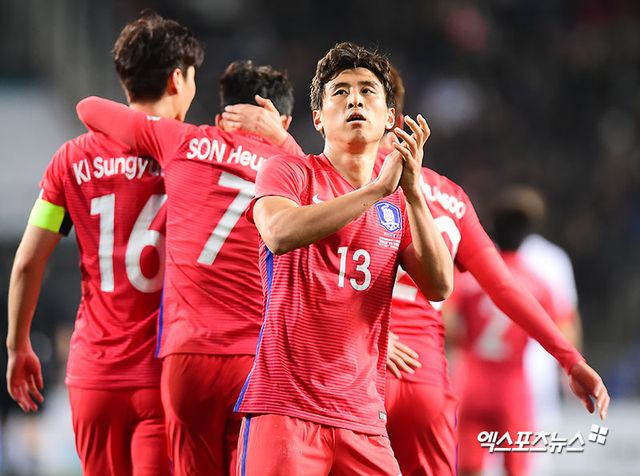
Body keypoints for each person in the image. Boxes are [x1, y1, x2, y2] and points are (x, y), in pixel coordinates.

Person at [232, 41, 454, 475]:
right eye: (340, 91)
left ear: (389, 117)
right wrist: (376, 189)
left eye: (368, 91)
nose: (355, 99)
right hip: (287, 410)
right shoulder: (289, 171)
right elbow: (279, 234)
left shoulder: (400, 203)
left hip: (363, 418)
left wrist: (413, 193)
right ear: (318, 118)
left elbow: (440, 285)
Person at [76, 61, 302, 475]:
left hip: (187, 358)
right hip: (257, 360)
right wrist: (283, 141)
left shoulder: (183, 140)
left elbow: (89, 107)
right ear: (282, 120)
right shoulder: (292, 169)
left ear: (221, 117)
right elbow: (331, 208)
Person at [381, 69, 608, 476]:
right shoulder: (452, 197)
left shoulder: (343, 185)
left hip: (365, 368)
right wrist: (570, 359)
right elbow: (505, 288)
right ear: (399, 120)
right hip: (436, 378)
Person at [6, 10, 203, 476]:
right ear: (177, 79)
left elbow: (27, 263)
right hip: (165, 375)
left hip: (93, 375)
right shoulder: (198, 154)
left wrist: (18, 347)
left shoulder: (70, 160)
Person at [445, 188, 575, 476]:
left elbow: (448, 321)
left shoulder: (469, 272)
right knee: (517, 469)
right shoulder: (537, 283)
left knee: (467, 468)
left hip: (471, 383)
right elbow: (564, 330)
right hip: (513, 387)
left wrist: (465, 339)